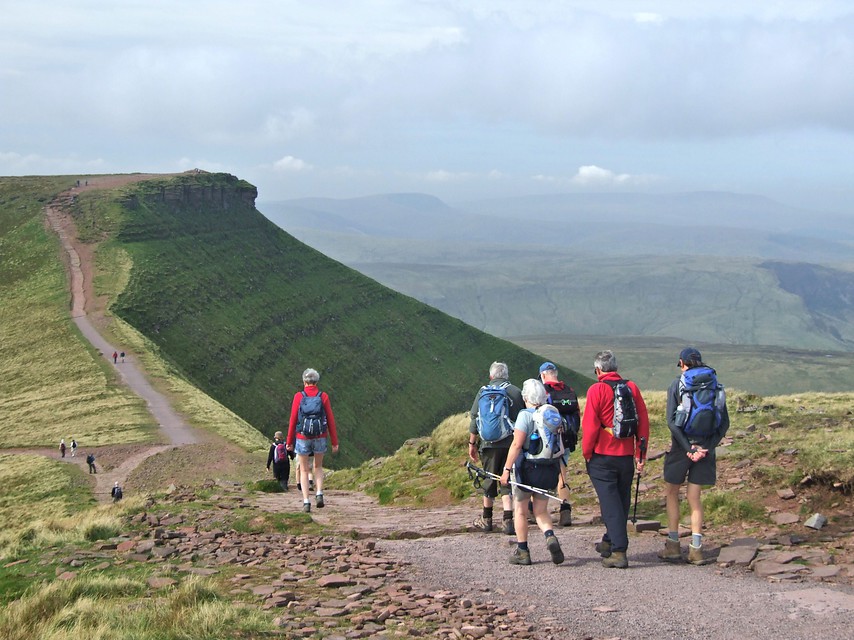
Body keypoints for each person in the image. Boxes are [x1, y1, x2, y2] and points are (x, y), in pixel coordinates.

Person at [659, 347, 730, 565]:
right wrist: (705, 447)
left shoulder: (677, 384)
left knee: (672, 492)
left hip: (682, 448)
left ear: (682, 363)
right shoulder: (714, 385)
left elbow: (672, 422)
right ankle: (696, 549)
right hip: (706, 449)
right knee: (694, 498)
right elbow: (724, 423)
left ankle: (673, 546)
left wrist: (688, 449)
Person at [581, 350, 649, 569]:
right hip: (626, 456)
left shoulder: (596, 389)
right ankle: (609, 541)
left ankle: (619, 551)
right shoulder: (632, 387)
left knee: (610, 504)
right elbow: (643, 422)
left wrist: (587, 453)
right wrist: (640, 453)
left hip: (602, 456)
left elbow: (590, 426)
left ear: (598, 370)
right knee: (621, 500)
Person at [499, 379, 565, 565]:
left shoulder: (524, 415)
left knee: (520, 510)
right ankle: (550, 536)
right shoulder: (552, 413)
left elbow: (517, 445)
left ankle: (523, 551)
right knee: (541, 511)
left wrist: (506, 470)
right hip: (549, 469)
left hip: (527, 470)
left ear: (525, 397)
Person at [468, 361, 524, 535]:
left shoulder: (483, 392)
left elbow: (474, 418)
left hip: (488, 445)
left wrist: (472, 444)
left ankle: (487, 519)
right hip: (510, 445)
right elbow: (523, 419)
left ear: (491, 376)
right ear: (506, 375)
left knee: (489, 478)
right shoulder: (515, 392)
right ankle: (508, 520)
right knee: (507, 479)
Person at [286, 368, 339, 512]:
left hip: (302, 437)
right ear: (316, 382)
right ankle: (319, 493)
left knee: (303, 470)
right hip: (320, 436)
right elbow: (330, 420)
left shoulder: (298, 396)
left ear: (304, 381)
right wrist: (335, 442)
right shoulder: (323, 396)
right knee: (318, 467)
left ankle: (306, 502)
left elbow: (293, 420)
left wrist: (289, 442)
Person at [539, 362, 581, 527]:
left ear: (543, 375)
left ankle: (535, 511)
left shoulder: (543, 391)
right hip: (567, 439)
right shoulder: (569, 391)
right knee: (562, 475)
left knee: (540, 475)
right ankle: (565, 511)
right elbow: (577, 414)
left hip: (547, 441)